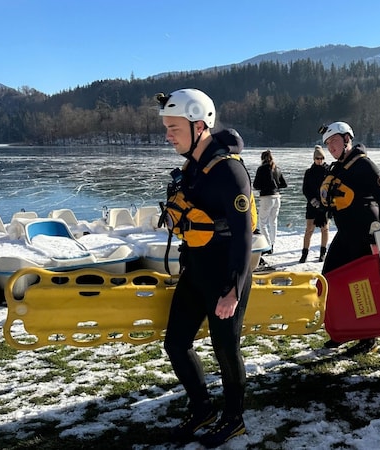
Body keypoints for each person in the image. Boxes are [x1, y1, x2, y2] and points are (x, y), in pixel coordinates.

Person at [156, 88, 252, 447]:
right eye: (166, 128)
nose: (167, 135)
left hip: (225, 276)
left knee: (225, 349)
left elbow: (244, 236)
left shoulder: (229, 171)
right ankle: (202, 409)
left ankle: (234, 418)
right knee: (176, 344)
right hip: (195, 270)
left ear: (199, 125)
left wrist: (234, 288)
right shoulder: (191, 168)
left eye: (174, 128)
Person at [318, 121, 380, 355]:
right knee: (329, 279)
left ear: (347, 139)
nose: (330, 147)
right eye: (327, 144)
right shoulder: (337, 167)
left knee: (364, 286)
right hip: (345, 233)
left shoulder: (364, 165)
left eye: (334, 141)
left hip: (364, 234)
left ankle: (368, 336)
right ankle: (340, 331)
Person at [252, 149, 287, 254]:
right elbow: (284, 184)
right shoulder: (277, 169)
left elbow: (255, 185)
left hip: (266, 198)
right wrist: (276, 186)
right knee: (273, 222)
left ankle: (267, 245)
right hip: (277, 197)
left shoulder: (261, 169)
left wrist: (265, 187)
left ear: (262, 158)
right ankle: (272, 244)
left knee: (262, 223)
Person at [299, 145, 330, 263]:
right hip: (312, 205)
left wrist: (326, 202)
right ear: (314, 158)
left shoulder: (328, 172)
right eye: (317, 158)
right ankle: (304, 253)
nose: (319, 160)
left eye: (321, 158)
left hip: (324, 205)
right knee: (309, 229)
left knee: (325, 229)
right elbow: (305, 189)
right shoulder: (309, 172)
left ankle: (323, 252)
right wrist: (312, 200)